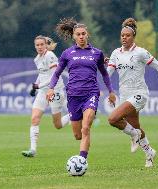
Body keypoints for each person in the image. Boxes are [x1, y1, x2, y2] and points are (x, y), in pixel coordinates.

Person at [46, 18, 116, 160]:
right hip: (73, 96)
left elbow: (104, 74)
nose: (81, 36)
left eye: (83, 33)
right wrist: (51, 88)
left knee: (86, 128)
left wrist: (111, 91)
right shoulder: (67, 53)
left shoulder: (97, 53)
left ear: (87, 34)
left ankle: (82, 160)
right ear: (74, 36)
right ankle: (82, 140)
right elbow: (57, 73)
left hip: (91, 93)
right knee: (78, 135)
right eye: (78, 34)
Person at [106, 18, 158, 167]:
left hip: (139, 93)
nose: (124, 38)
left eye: (127, 35)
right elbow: (107, 74)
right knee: (135, 126)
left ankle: (134, 134)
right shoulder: (116, 53)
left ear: (133, 37)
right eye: (122, 35)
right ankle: (149, 153)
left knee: (113, 119)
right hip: (125, 96)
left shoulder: (141, 52)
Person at [22, 35, 70, 157]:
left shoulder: (50, 56)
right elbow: (42, 74)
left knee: (57, 125)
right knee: (34, 118)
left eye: (41, 44)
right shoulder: (37, 59)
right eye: (37, 45)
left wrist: (39, 86)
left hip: (55, 91)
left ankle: (74, 113)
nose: (39, 47)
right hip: (43, 92)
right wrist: (36, 85)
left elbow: (54, 75)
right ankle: (32, 150)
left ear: (45, 45)